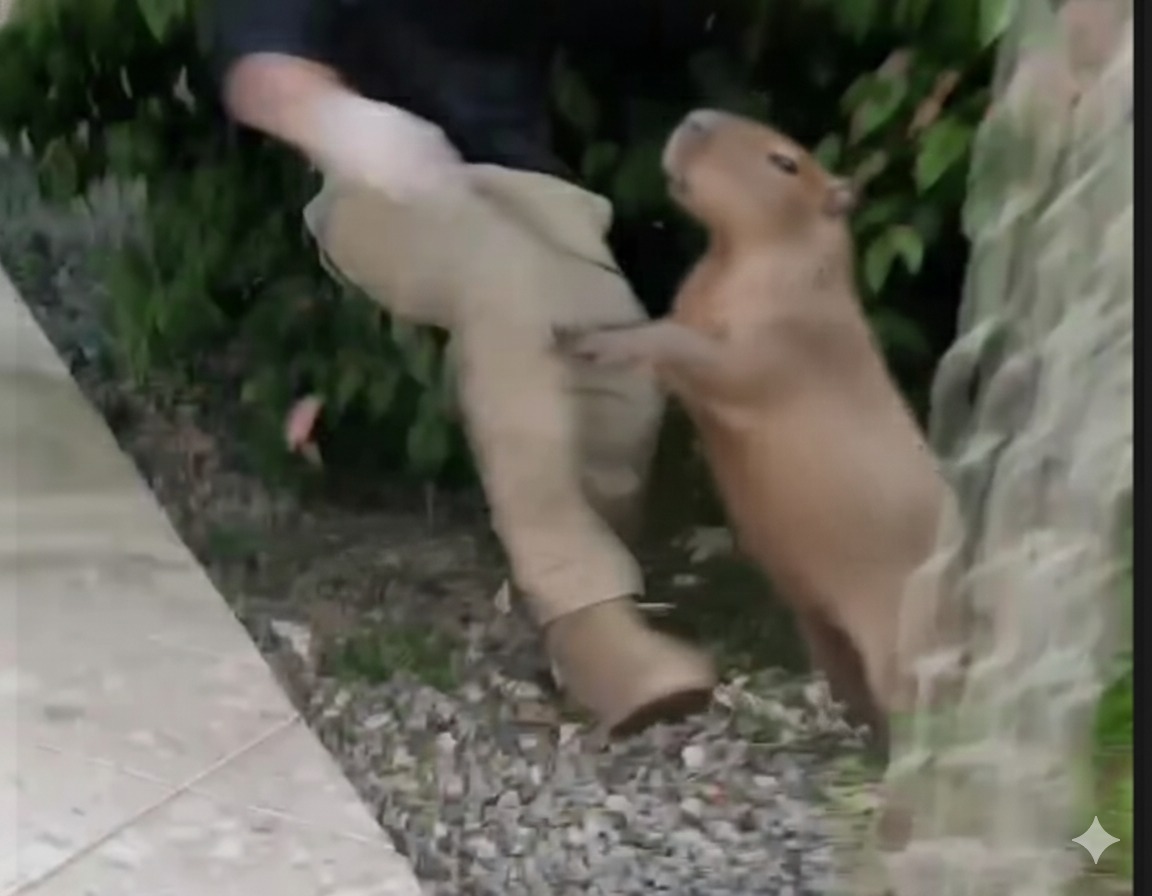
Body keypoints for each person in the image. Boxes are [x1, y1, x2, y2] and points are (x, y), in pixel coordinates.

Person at [208, 0, 718, 734]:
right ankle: (586, 614)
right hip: (383, 186)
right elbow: (260, 70)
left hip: (536, 192)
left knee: (621, 367)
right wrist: (340, 120)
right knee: (504, 281)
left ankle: (579, 607)